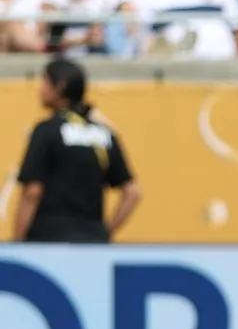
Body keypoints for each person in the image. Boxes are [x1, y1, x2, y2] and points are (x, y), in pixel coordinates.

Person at [14, 58, 142, 242]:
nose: (39, 89)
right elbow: (133, 193)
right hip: (91, 243)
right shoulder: (104, 133)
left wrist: (18, 244)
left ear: (59, 87)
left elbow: (32, 192)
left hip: (48, 240)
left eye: (44, 82)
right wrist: (103, 233)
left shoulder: (47, 130)